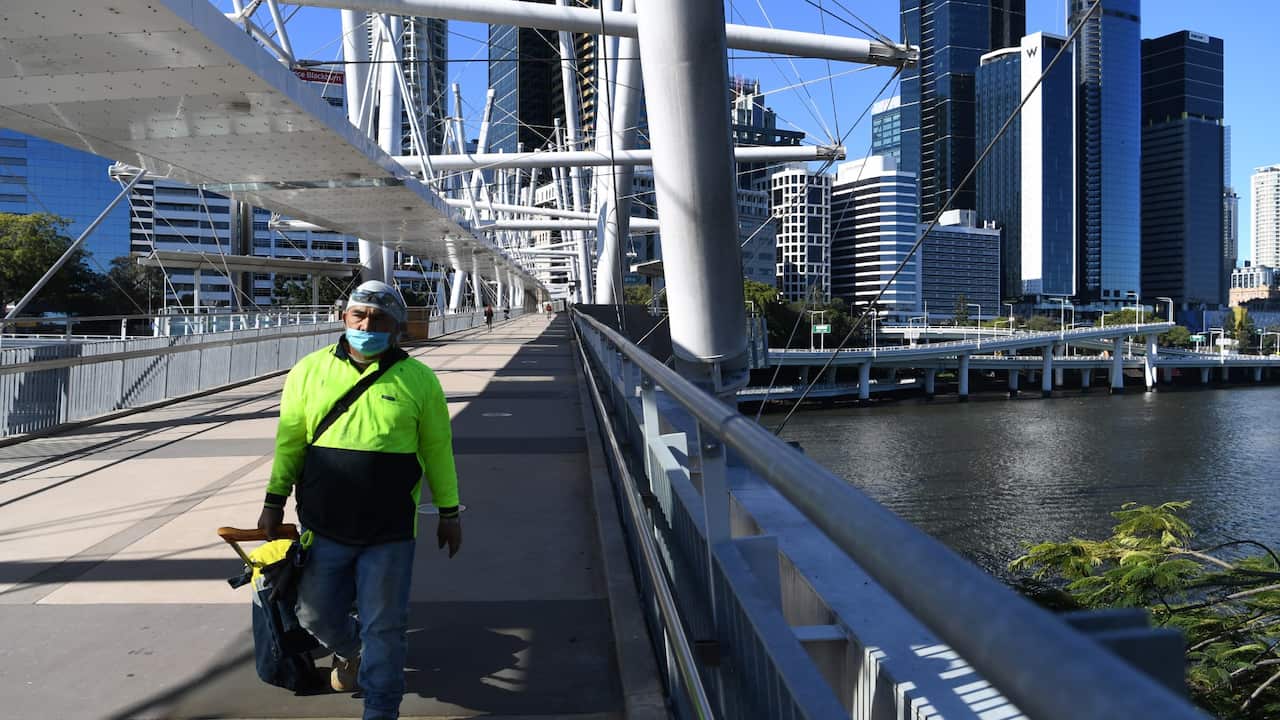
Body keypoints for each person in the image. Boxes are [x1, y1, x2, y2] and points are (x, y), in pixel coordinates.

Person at [258, 279, 461, 720]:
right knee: (313, 615)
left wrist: (449, 512)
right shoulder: (308, 371)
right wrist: (274, 500)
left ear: (397, 328)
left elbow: (437, 450)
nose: (367, 325)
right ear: (343, 317)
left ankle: (381, 709)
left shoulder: (419, 380)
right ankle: (354, 650)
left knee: (386, 626)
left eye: (380, 319)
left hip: (389, 531)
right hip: (323, 525)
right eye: (359, 315)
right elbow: (290, 442)